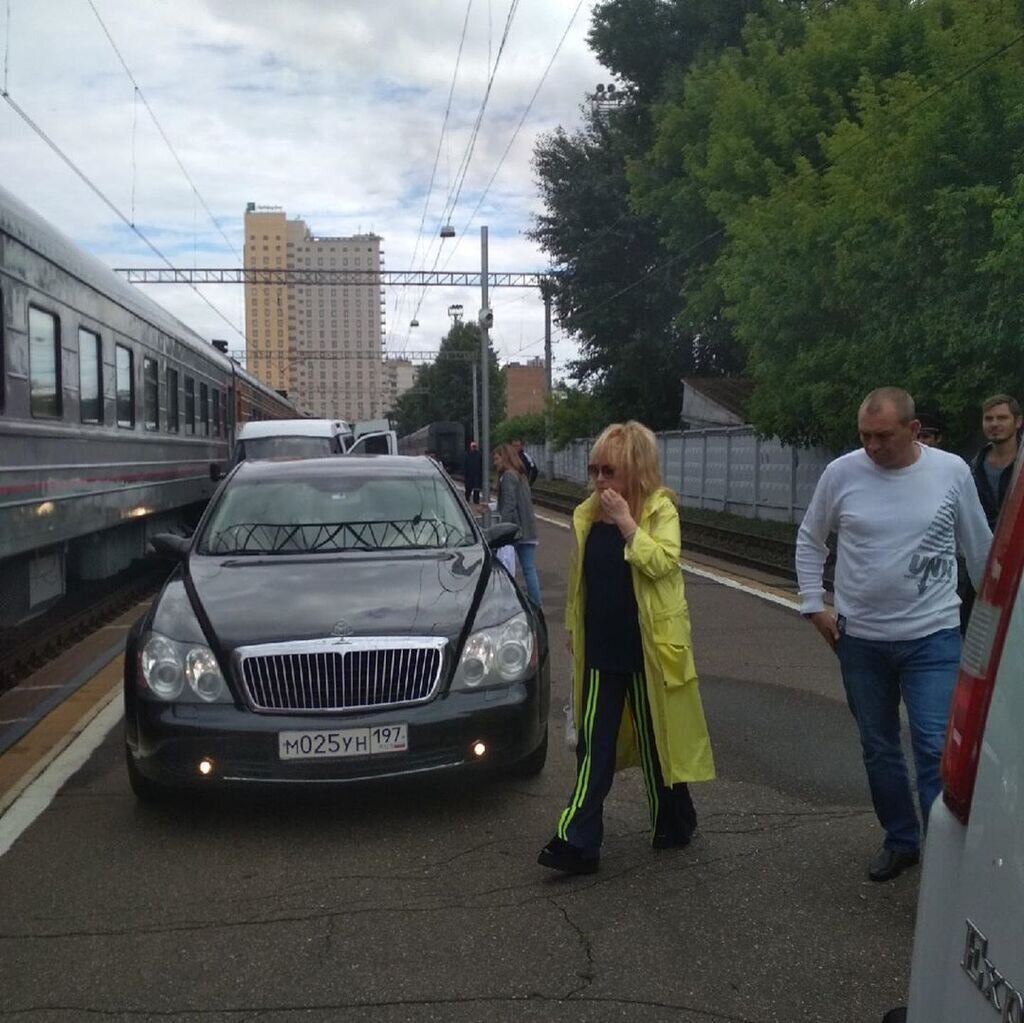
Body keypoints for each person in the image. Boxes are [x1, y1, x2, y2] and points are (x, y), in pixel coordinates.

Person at [796, 387, 991, 883]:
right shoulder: (842, 473)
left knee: (932, 746)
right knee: (878, 745)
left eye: (883, 436)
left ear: (914, 430)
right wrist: (813, 606)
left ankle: (943, 861)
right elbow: (810, 537)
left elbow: (979, 551)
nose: (873, 446)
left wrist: (1000, 626)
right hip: (860, 640)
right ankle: (901, 840)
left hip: (933, 636)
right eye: (864, 435)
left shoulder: (951, 472)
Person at [538, 421, 715, 875]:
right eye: (594, 470)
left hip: (650, 651)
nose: (599, 481)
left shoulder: (661, 511)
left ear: (635, 471)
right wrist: (574, 629)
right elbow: (584, 584)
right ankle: (579, 841)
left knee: (659, 743)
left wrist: (627, 523)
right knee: (594, 748)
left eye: (609, 471)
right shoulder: (585, 514)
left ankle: (674, 820)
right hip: (600, 651)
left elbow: (662, 564)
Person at [493, 443, 541, 606]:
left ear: (505, 458)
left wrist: (502, 531)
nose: (495, 462)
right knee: (529, 569)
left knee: (510, 567)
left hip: (517, 530)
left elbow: (509, 505)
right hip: (528, 528)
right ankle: (536, 603)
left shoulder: (507, 476)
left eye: (497, 458)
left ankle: (516, 602)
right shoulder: (521, 475)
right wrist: (492, 507)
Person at [970, 394, 1022, 529]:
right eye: (988, 419)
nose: (994, 424)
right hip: (988, 546)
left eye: (1002, 418)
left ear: (1018, 422)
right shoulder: (974, 468)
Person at [463, 440, 483, 505]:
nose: (474, 448)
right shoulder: (467, 454)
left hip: (477, 474)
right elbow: (465, 464)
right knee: (468, 488)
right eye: (473, 447)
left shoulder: (479, 454)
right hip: (469, 474)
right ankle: (467, 498)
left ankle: (476, 500)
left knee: (476, 489)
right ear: (470, 447)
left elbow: (481, 464)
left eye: (475, 447)